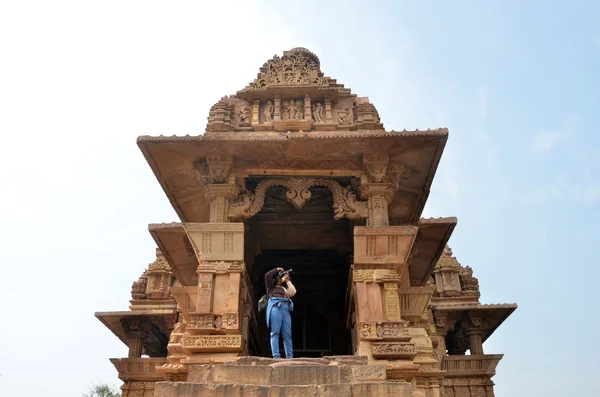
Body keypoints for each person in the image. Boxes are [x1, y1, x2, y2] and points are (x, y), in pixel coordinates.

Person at [264, 267, 297, 359]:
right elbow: (267, 275)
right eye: (278, 276)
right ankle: (276, 356)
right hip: (276, 308)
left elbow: (293, 292)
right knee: (275, 332)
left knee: (287, 334)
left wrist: (287, 281)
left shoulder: (283, 289)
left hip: (285, 309)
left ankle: (289, 357)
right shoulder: (271, 288)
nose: (280, 278)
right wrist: (277, 269)